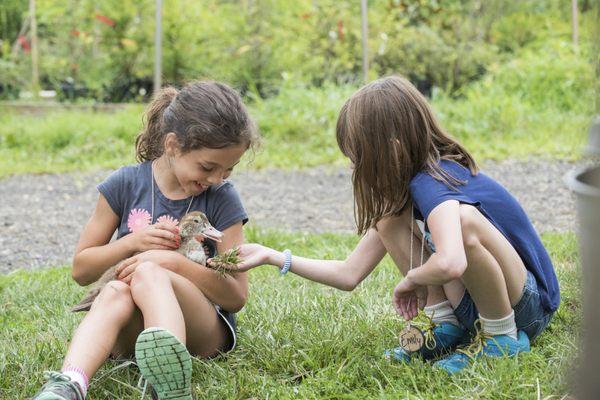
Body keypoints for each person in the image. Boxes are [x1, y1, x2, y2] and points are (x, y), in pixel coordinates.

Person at [216, 76, 559, 374]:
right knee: (387, 216)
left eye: (358, 158)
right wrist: (274, 256)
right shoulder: (404, 195)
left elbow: (453, 260)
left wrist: (411, 280)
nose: (353, 169)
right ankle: (445, 325)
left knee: (465, 223)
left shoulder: (435, 182)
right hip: (474, 305)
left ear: (392, 151)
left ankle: (501, 339)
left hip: (524, 309)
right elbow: (349, 274)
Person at [33, 80, 259, 400]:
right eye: (208, 167)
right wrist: (132, 244)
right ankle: (67, 385)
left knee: (150, 272)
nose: (216, 180)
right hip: (130, 333)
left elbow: (235, 295)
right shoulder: (124, 184)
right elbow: (81, 270)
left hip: (201, 330)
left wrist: (168, 261)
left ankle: (170, 388)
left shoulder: (222, 198)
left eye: (228, 171)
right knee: (113, 290)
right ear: (172, 145)